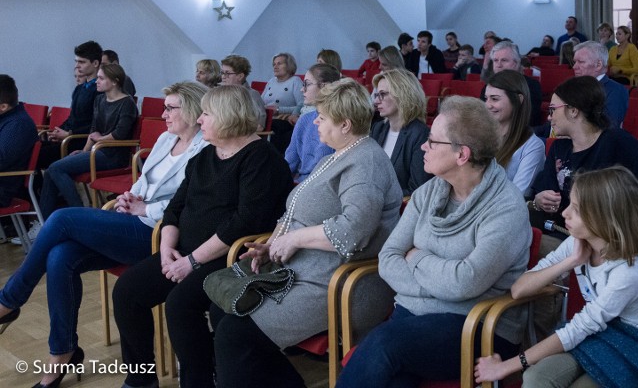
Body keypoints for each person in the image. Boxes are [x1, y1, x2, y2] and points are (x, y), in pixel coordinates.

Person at [0, 82, 207, 388]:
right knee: (60, 255)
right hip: (134, 223)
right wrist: (128, 198)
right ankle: (62, 352)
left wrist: (144, 209)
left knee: (61, 219)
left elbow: (190, 205)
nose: (163, 114)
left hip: (158, 235)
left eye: (170, 108)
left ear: (190, 110)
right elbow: (142, 184)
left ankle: (9, 300)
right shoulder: (166, 139)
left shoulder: (205, 148)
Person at [210, 78, 403, 387]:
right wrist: (271, 244)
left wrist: (294, 239)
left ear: (345, 125)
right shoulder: (334, 157)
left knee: (236, 335)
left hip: (341, 283)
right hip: (304, 271)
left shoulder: (366, 163)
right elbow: (295, 211)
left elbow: (353, 232)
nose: (315, 122)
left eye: (322, 117)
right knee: (223, 312)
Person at [336, 96, 532, 387]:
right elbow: (388, 257)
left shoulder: (506, 207)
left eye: (432, 141)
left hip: (475, 328)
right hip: (412, 317)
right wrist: (439, 284)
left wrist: (417, 257)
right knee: (394, 379)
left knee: (384, 343)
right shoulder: (428, 192)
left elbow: (467, 281)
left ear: (462, 155)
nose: (422, 146)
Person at [112, 84, 292, 388]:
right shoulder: (206, 156)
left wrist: (191, 261)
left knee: (181, 305)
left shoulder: (261, 159)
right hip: (184, 252)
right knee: (127, 292)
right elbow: (175, 208)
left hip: (230, 258)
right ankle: (141, 379)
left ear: (227, 116)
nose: (199, 120)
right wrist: (168, 248)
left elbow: (243, 223)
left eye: (206, 114)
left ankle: (199, 381)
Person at [476, 166, 638, 388]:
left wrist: (506, 366)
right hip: (600, 337)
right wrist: (571, 261)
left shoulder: (630, 272)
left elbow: (580, 328)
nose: (565, 213)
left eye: (576, 210)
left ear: (604, 217)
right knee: (535, 379)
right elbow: (519, 289)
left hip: (637, 348)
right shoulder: (577, 243)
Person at [530, 76, 638, 250]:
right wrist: (539, 200)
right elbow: (548, 196)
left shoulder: (616, 141)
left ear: (573, 110)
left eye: (553, 110)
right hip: (561, 231)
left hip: (598, 239)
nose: (549, 118)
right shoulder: (559, 147)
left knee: (527, 248)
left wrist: (615, 216)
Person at [39, 63, 138, 218]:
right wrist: (84, 151)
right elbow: (93, 130)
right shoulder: (99, 100)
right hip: (97, 151)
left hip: (114, 155)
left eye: (101, 78)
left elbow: (120, 134)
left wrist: (100, 140)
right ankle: (45, 220)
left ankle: (79, 214)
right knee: (53, 170)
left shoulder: (127, 103)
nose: (96, 81)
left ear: (114, 81)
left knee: (55, 169)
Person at [38, 40, 103, 169]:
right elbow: (73, 118)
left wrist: (68, 134)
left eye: (82, 62)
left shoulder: (99, 91)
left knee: (37, 155)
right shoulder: (80, 89)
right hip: (69, 138)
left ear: (95, 63)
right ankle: (34, 186)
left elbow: (96, 124)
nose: (77, 66)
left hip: (81, 141)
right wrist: (56, 132)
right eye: (76, 62)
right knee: (30, 148)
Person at [370, 69, 432, 195]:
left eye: (383, 94)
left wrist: (379, 197)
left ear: (403, 95)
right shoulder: (378, 128)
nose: (376, 101)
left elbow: (416, 189)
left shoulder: (420, 134)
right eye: (377, 95)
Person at [485, 70, 545, 195]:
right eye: (486, 99)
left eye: (494, 99)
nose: (488, 105)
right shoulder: (479, 136)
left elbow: (517, 195)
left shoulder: (533, 146)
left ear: (518, 100)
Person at [285, 63, 341, 182]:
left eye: (307, 84)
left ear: (325, 87)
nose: (302, 89)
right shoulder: (304, 120)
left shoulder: (342, 122)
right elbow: (289, 165)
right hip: (302, 186)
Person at [482, 41, 543, 126]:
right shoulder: (488, 86)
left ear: (516, 62)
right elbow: (481, 116)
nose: (498, 65)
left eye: (504, 60)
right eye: (495, 60)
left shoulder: (531, 86)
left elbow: (529, 119)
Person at [0, 75, 38, 208]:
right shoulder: (7, 119)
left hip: (4, 190)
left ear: (3, 106)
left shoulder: (17, 125)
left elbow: (1, 159)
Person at [573, 41, 628, 128]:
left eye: (581, 62)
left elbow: (609, 127)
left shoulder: (616, 91)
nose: (574, 67)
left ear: (598, 65)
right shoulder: (572, 87)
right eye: (575, 62)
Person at [263, 53, 304, 153]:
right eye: (274, 64)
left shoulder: (295, 81)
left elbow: (302, 105)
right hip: (266, 118)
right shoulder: (271, 81)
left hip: (284, 120)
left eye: (279, 63)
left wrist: (278, 109)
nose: (275, 66)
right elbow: (260, 102)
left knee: (273, 127)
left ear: (289, 65)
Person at [220, 54, 267, 130]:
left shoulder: (251, 94)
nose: (223, 76)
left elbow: (259, 126)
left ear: (240, 76)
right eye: (222, 73)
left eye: (227, 73)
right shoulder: (220, 94)